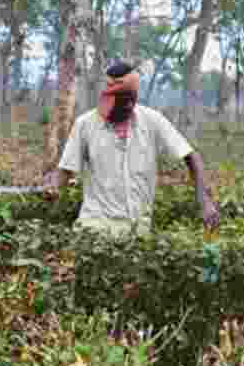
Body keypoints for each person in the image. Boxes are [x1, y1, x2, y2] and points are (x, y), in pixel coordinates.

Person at [43, 61, 220, 238]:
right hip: (94, 230)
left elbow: (191, 156)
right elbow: (66, 168)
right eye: (120, 100)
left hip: (138, 233)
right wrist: (54, 185)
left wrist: (204, 200)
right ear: (107, 97)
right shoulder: (85, 124)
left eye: (130, 101)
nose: (127, 106)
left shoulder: (152, 120)